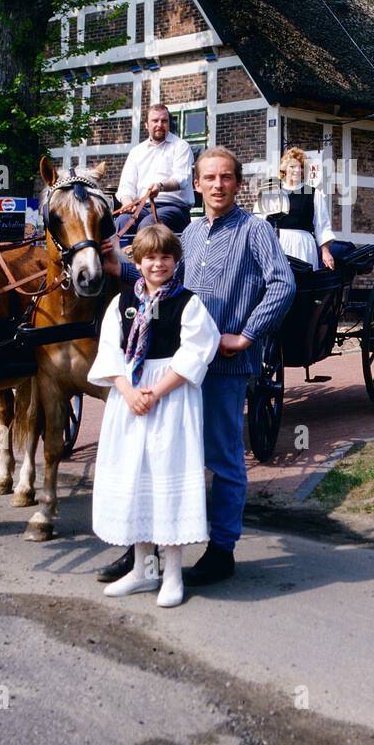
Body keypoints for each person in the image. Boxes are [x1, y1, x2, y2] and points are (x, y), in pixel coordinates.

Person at [100, 146, 295, 587]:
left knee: (222, 457)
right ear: (198, 182)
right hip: (176, 368)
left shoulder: (255, 231)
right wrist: (120, 268)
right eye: (209, 178)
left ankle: (222, 548)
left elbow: (283, 283)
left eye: (226, 177)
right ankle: (142, 555)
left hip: (224, 366)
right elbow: (160, 278)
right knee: (159, 458)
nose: (218, 185)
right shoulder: (186, 235)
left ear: (238, 184)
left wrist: (246, 335)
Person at [86, 224, 222, 607]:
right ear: (138, 261)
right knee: (137, 480)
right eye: (150, 257)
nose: (157, 264)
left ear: (175, 261)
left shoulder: (187, 303)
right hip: (130, 397)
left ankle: (173, 575)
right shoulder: (123, 303)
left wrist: (155, 393)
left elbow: (197, 351)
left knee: (166, 476)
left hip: (171, 398)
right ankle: (144, 573)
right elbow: (111, 351)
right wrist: (128, 391)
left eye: (165, 257)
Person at [116, 104, 194, 241]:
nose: (160, 124)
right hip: (142, 207)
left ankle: (143, 262)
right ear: (146, 125)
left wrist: (160, 186)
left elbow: (182, 179)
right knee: (121, 222)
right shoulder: (136, 152)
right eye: (155, 121)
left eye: (164, 121)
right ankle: (121, 262)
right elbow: (126, 186)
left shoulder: (181, 146)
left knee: (149, 226)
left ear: (169, 123)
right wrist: (128, 203)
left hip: (174, 208)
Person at [260, 146, 336, 270]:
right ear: (284, 169)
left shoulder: (313, 194)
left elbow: (322, 226)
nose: (297, 170)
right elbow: (259, 222)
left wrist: (325, 252)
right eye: (292, 166)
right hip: (277, 244)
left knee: (303, 284)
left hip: (303, 246)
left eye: (301, 167)